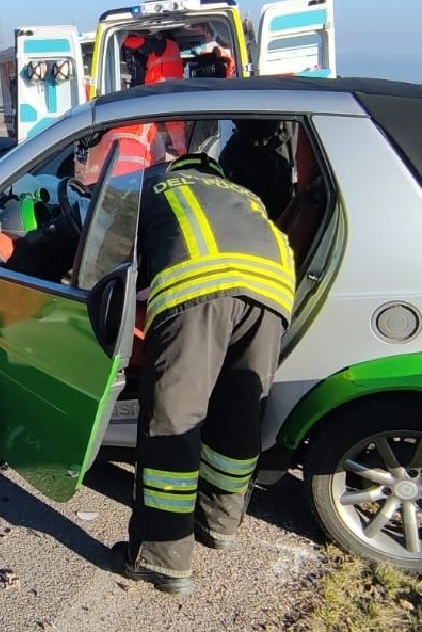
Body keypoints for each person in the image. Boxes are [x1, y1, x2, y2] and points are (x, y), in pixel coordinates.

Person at [93, 152, 295, 595]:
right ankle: (219, 524)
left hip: (197, 289)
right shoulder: (244, 195)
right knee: (239, 415)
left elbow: (103, 260)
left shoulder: (153, 186)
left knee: (174, 422)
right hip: (274, 293)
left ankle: (161, 560)